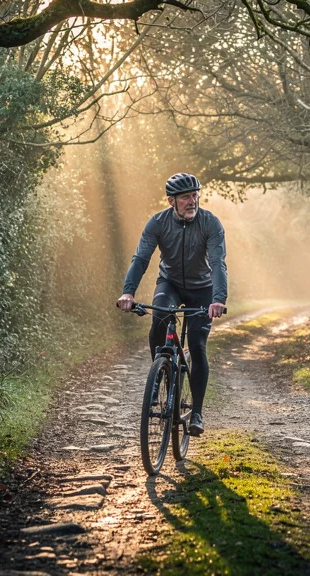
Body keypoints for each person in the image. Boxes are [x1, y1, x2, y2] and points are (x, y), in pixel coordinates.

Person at [116, 173, 228, 437]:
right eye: (186, 197)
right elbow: (141, 259)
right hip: (170, 283)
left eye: (195, 195)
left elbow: (218, 263)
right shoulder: (157, 223)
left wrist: (218, 299)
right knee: (161, 316)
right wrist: (128, 293)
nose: (193, 201)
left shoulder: (210, 223)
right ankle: (158, 372)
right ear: (171, 201)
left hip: (203, 289)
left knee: (198, 347)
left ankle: (197, 412)